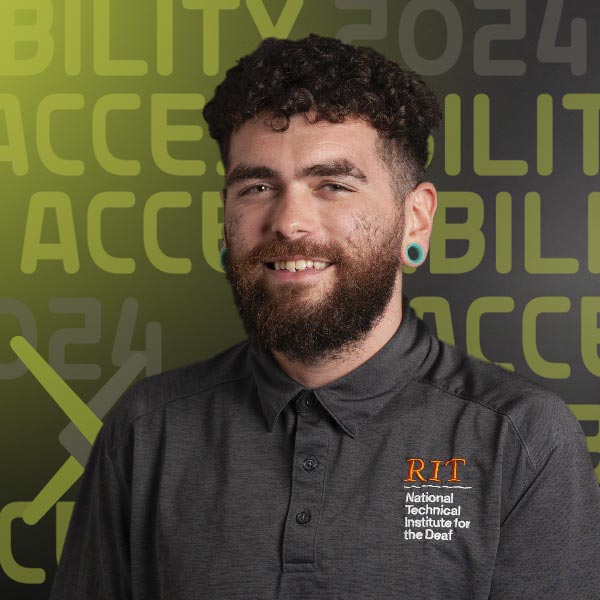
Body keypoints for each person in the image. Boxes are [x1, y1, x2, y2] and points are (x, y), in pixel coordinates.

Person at [50, 34, 600, 599]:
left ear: (415, 220)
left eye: (332, 185)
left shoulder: (521, 439)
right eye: (258, 186)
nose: (289, 222)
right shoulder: (146, 432)